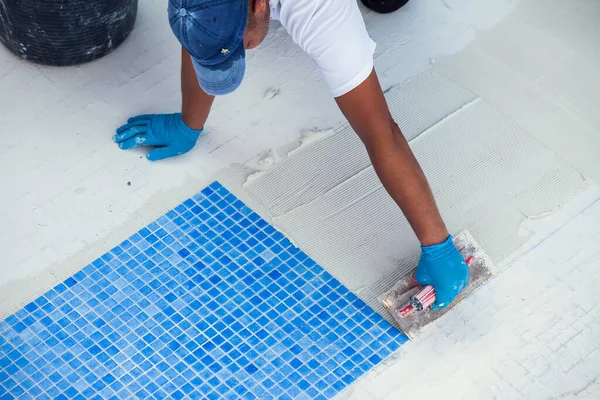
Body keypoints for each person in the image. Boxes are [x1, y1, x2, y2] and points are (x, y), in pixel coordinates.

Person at [113, 0, 469, 310]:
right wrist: (189, 122)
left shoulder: (319, 12)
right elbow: (202, 22)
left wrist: (436, 243)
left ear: (260, 6)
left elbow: (382, 134)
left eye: (241, 45)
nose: (243, 49)